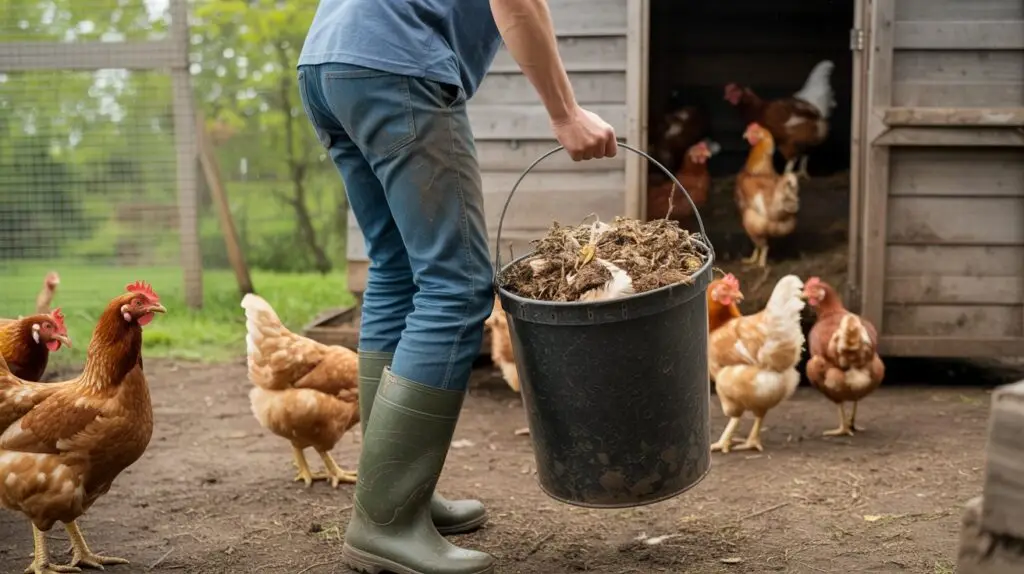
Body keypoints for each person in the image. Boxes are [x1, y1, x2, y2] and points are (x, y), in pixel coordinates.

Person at [297, 0, 617, 571]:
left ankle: (392, 493)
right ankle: (386, 519)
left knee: (396, 270)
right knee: (459, 284)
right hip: (395, 66)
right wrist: (565, 112)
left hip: (328, 63)